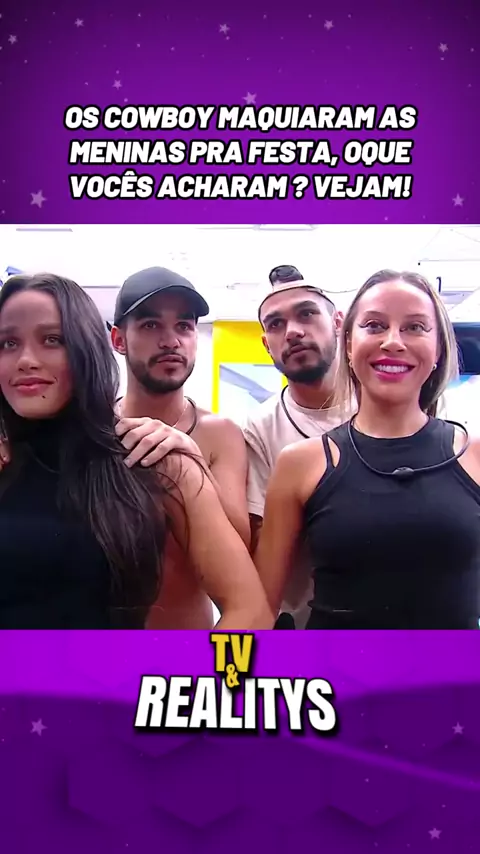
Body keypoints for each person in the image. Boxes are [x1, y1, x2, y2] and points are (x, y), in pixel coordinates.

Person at [0, 273, 273, 630]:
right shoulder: (13, 461)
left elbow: (247, 598)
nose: (26, 360)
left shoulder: (177, 452)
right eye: (8, 343)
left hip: (162, 650)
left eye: (52, 339)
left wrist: (191, 466)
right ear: (117, 340)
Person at [254, 269, 480, 629]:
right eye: (374, 325)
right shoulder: (300, 463)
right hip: (334, 665)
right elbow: (258, 610)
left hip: (451, 665)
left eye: (415, 327)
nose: (393, 341)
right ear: (348, 343)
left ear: (438, 347)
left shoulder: (474, 455)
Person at [110, 266, 251, 628]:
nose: (170, 341)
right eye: (150, 325)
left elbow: (241, 552)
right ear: (119, 339)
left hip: (189, 645)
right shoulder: (95, 429)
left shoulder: (220, 434)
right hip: (103, 646)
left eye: (184, 326)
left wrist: (189, 459)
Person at [243, 265, 345, 628]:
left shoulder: (387, 406)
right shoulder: (260, 427)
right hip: (304, 628)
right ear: (265, 344)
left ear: (337, 322)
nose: (293, 332)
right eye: (276, 324)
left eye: (306, 314)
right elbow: (262, 541)